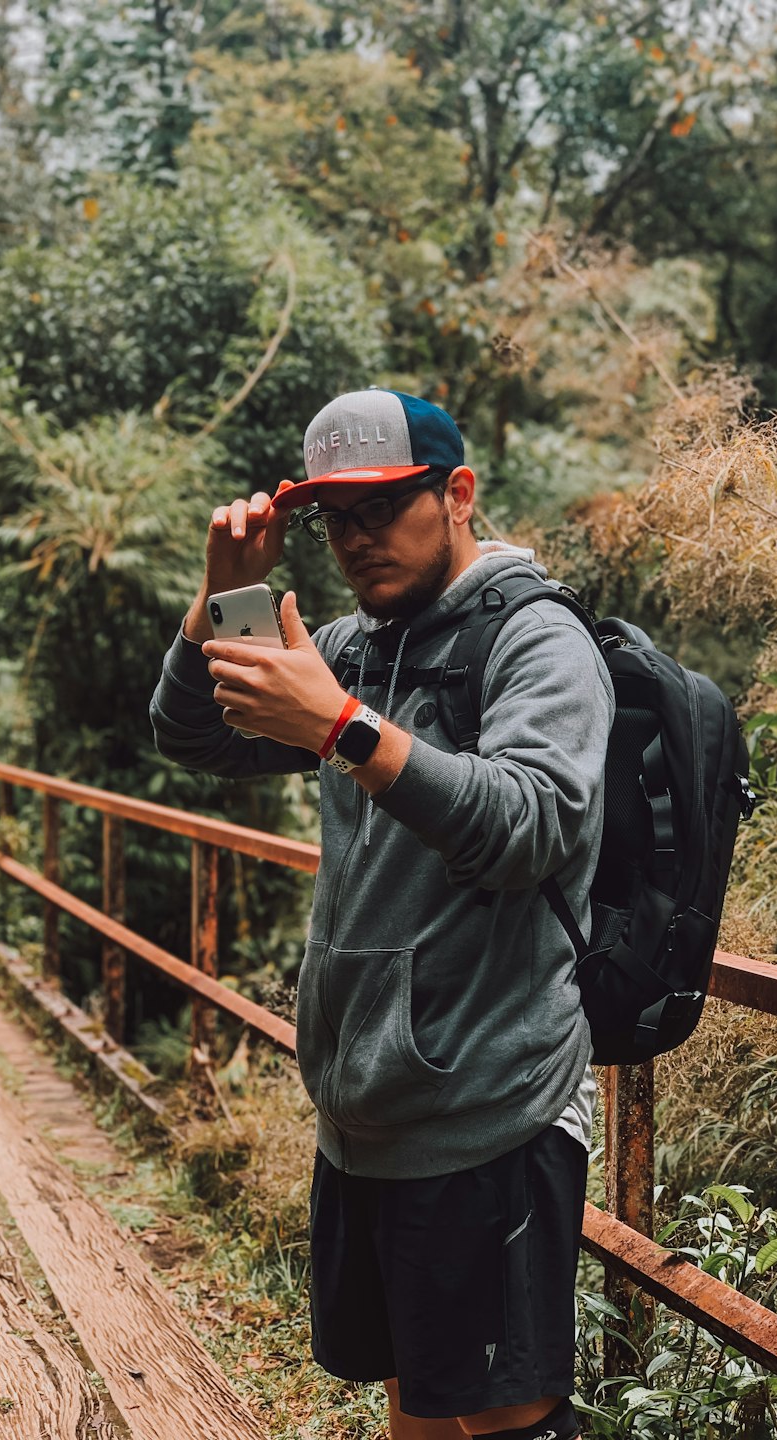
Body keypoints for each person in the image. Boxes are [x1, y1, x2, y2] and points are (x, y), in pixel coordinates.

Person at [150, 388, 614, 1440]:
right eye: (335, 518)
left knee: (507, 1418)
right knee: (416, 1400)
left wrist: (346, 728)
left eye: (385, 507)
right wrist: (224, 596)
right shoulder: (356, 648)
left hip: (491, 1104)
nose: (357, 540)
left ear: (457, 495)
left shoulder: (536, 641)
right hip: (370, 1111)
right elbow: (196, 737)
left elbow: (535, 826)